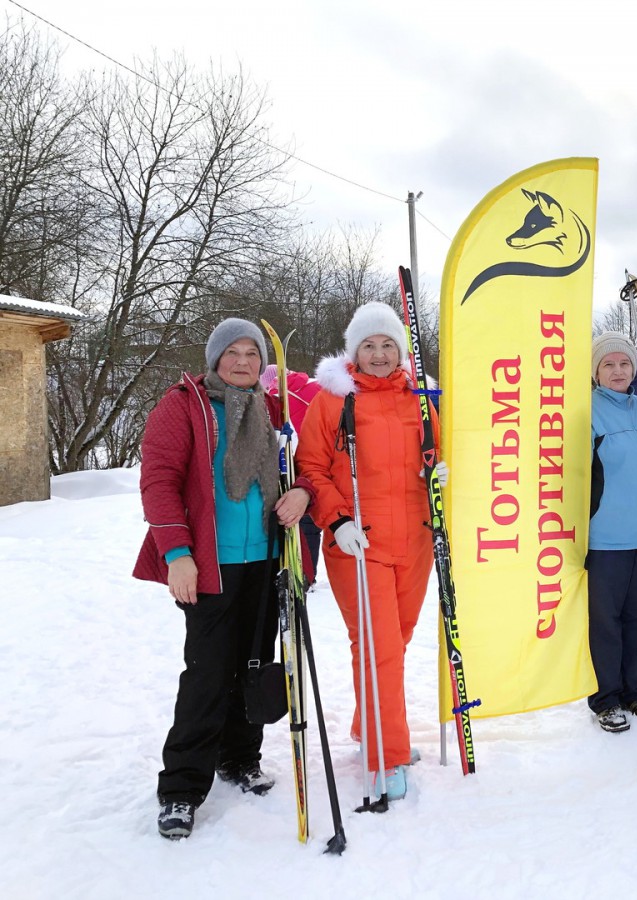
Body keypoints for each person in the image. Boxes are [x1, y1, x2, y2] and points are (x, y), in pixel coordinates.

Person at [134, 318, 314, 840]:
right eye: (232, 353)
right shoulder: (184, 405)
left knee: (254, 664)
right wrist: (176, 554)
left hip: (266, 561)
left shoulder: (272, 408)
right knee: (208, 673)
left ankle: (239, 758)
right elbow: (159, 479)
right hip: (207, 565)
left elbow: (304, 465)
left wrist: (302, 491)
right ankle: (181, 789)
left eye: (251, 354)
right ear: (214, 359)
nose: (242, 362)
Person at [295, 301, 444, 802]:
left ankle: (371, 727)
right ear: (353, 351)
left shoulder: (420, 399)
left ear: (400, 350)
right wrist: (335, 521)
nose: (379, 355)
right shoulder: (333, 401)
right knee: (380, 649)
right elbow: (311, 468)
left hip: (415, 539)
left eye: (387, 345)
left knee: (393, 643)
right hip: (358, 544)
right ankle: (386, 755)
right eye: (369, 346)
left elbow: (435, 454)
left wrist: (439, 473)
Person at [587, 331, 637, 733]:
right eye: (608, 364)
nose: (618, 371)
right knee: (606, 622)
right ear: (596, 372)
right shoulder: (586, 412)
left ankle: (634, 692)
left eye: (624, 364)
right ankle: (606, 698)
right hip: (605, 540)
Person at [261, 363, 324, 569]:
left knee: (305, 520)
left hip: (299, 455)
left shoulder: (275, 395)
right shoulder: (313, 386)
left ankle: (308, 571)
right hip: (326, 451)